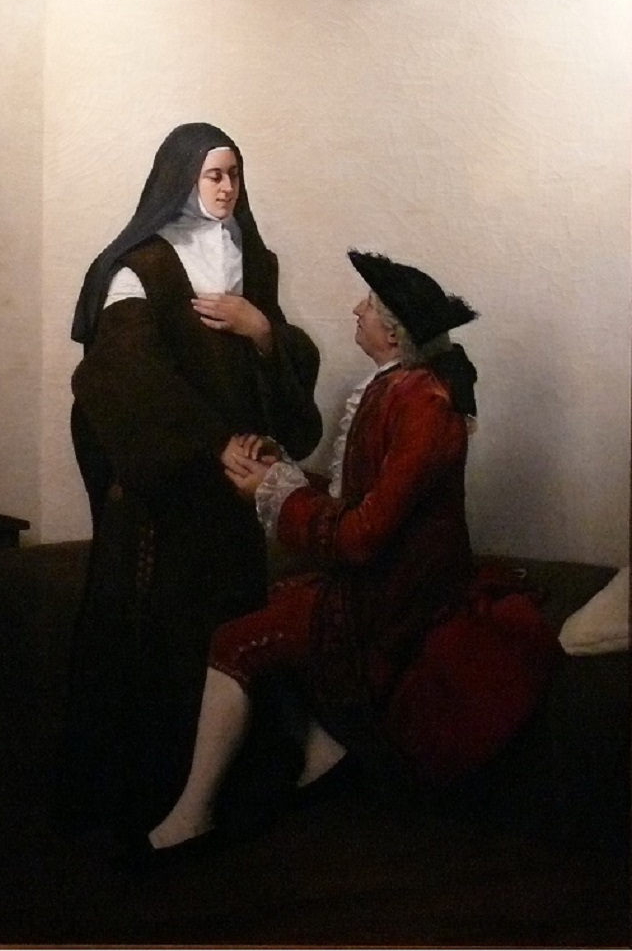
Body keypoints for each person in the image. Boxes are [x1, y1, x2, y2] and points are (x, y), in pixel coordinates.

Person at [139, 250, 562, 860]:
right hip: (377, 584)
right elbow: (356, 498)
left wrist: (275, 493)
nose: (356, 310)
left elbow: (363, 533)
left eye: (367, 305)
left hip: (398, 601)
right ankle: (324, 756)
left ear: (392, 333)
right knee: (272, 605)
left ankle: (192, 816)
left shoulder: (425, 406)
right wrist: (280, 470)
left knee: (236, 641)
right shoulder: (396, 388)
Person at [61, 122, 323, 831]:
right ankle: (149, 800)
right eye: (213, 174)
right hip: (166, 496)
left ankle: (232, 796)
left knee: (234, 630)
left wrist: (260, 331)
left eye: (234, 173)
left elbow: (282, 367)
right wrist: (213, 442)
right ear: (180, 179)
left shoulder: (252, 261)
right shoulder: (140, 268)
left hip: (234, 498)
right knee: (162, 638)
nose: (227, 187)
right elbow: (129, 377)